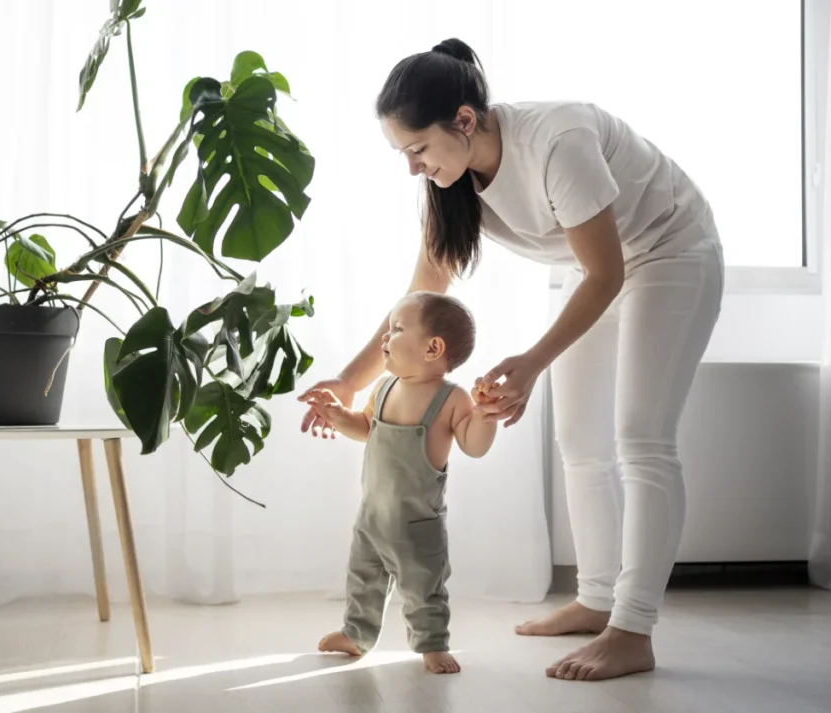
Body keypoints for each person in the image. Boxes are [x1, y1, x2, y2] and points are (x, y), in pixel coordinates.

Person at [299, 39, 724, 682]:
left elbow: (606, 274)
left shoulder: (558, 141)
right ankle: (595, 598)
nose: (412, 167)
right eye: (402, 153)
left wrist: (531, 361)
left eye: (417, 149)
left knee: (641, 438)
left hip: (668, 251)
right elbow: (423, 290)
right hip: (589, 273)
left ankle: (632, 630)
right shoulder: (451, 179)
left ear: (464, 120)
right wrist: (351, 383)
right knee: (579, 441)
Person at [302, 292, 497, 674]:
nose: (384, 339)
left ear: (433, 348)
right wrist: (339, 415)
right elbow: (366, 428)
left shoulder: (452, 399)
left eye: (396, 329)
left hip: (417, 524)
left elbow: (474, 446)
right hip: (372, 515)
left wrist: (486, 416)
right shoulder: (385, 387)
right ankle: (356, 635)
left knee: (424, 588)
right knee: (363, 580)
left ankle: (432, 644)